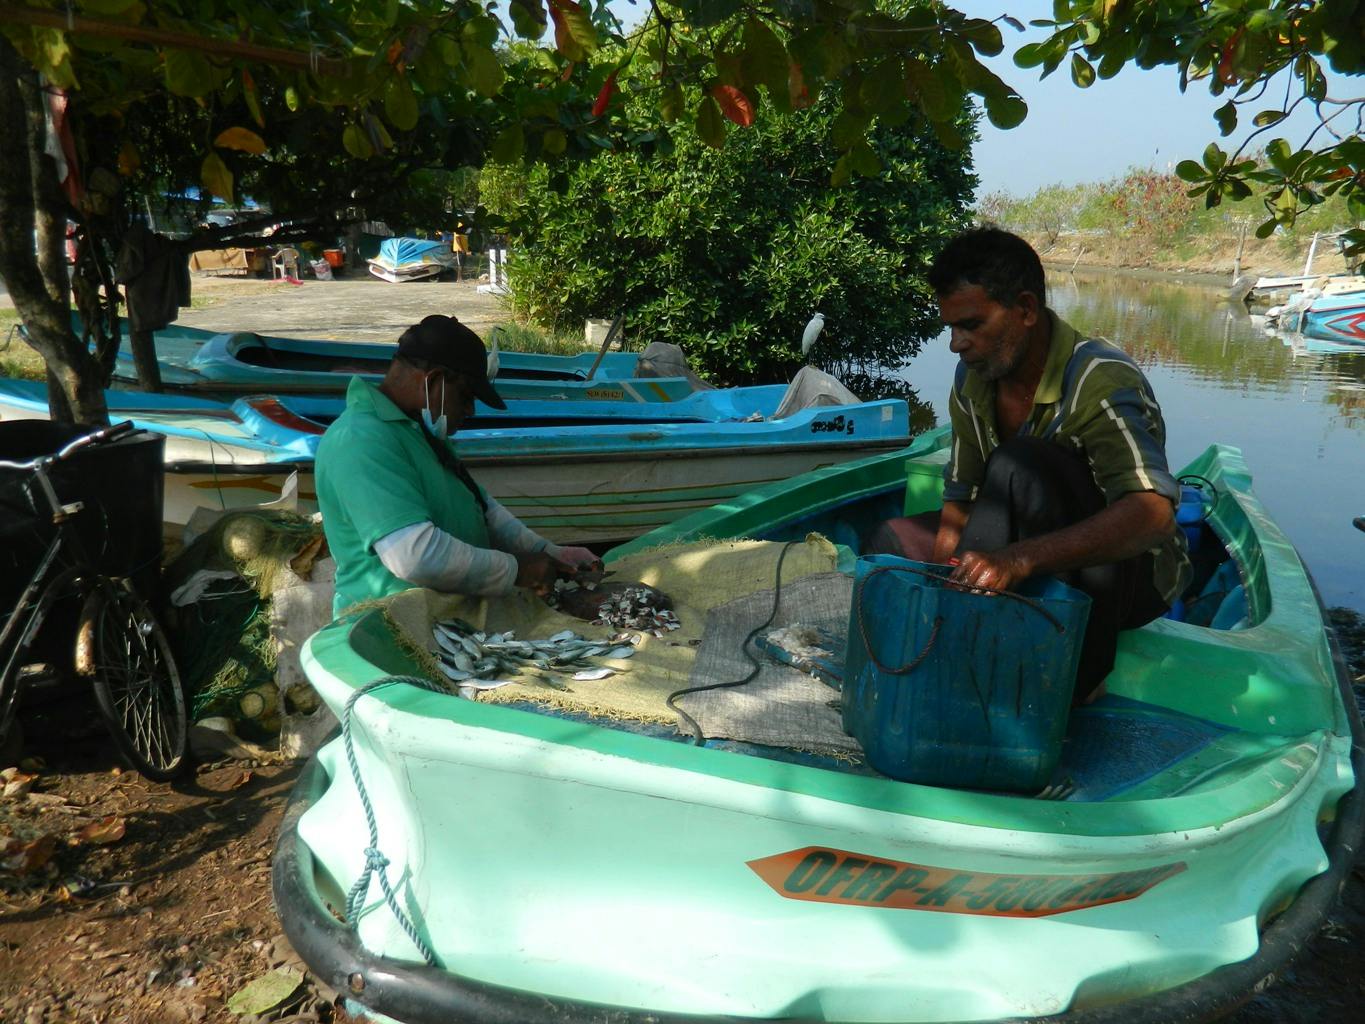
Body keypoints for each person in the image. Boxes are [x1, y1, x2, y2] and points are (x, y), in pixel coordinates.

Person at [867, 227, 1191, 702]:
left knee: (1019, 464)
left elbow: (1154, 516)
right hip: (1021, 541)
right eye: (951, 328)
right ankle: (931, 664)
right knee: (891, 543)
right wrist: (942, 585)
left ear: (1025, 310)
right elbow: (961, 499)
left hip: (1127, 577)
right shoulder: (974, 379)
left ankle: (1077, 685)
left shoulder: (1100, 380)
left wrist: (1015, 560)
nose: (957, 344)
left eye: (972, 325)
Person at [316, 314, 600, 615]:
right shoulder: (361, 440)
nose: (470, 410)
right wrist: (518, 569)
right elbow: (414, 556)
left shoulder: (419, 429)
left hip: (451, 621)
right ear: (434, 381)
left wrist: (548, 552)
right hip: (390, 629)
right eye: (465, 396)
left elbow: (483, 508)